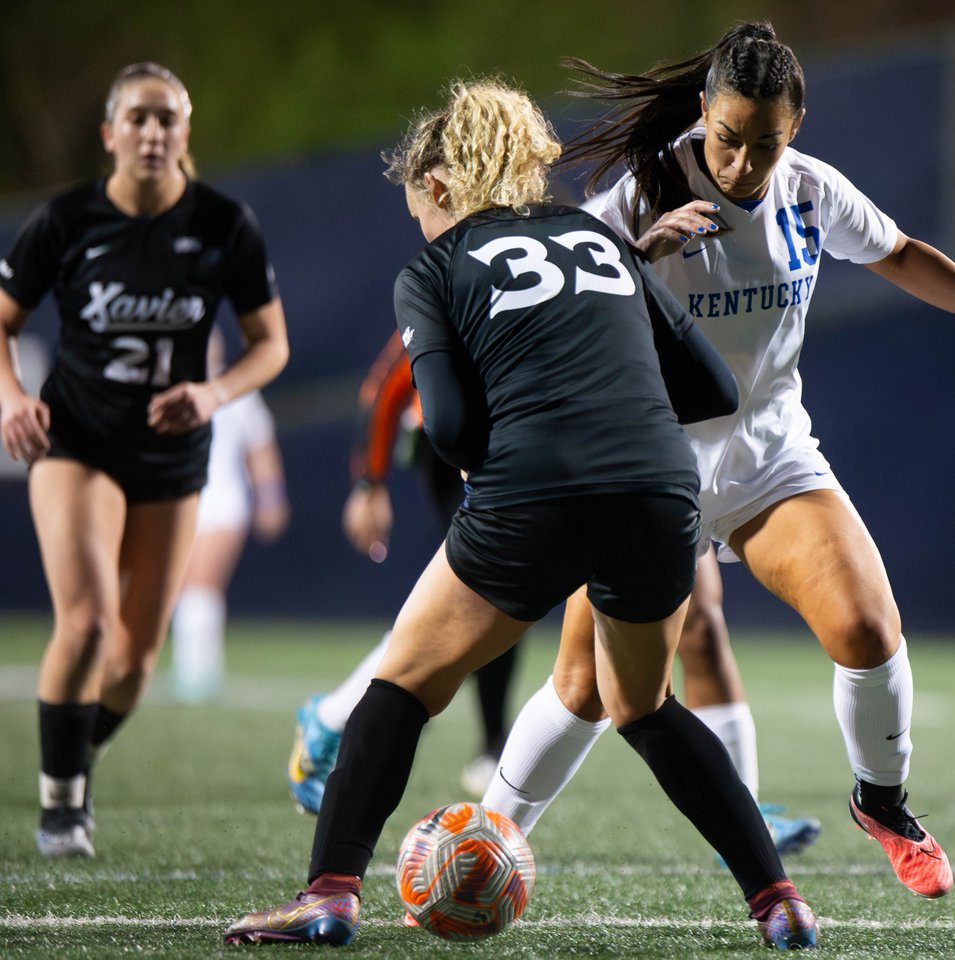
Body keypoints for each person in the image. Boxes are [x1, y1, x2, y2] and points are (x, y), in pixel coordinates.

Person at [223, 78, 817, 951]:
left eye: (415, 202)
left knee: (400, 685)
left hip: (533, 486)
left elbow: (456, 430)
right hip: (660, 491)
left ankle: (330, 895)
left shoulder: (431, 267)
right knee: (645, 705)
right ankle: (779, 902)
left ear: (437, 186)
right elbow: (714, 389)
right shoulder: (596, 235)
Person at [481, 21, 955, 901]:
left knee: (868, 628)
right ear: (703, 112)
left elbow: (892, 251)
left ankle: (882, 803)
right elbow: (564, 290)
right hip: (646, 472)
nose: (740, 162)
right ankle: (488, 839)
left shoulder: (810, 192)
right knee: (587, 689)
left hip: (769, 463)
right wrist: (643, 250)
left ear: (796, 128)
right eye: (727, 138)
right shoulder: (650, 187)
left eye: (764, 143)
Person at [0, 62, 289, 858]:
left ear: (184, 133)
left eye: (167, 119)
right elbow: (2, 319)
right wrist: (11, 399)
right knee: (87, 623)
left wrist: (214, 393)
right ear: (110, 134)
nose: (153, 132)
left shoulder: (226, 224)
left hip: (172, 449)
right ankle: (63, 805)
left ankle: (71, 751)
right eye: (139, 118)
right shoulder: (66, 220)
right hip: (79, 438)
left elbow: (271, 347)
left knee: (134, 660)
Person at [287, 329, 520, 813]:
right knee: (479, 596)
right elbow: (386, 385)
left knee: (502, 600)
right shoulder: (456, 274)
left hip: (522, 440)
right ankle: (339, 720)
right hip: (466, 450)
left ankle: (338, 718)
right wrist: (369, 483)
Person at [170, 328, 290, 702]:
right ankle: (187, 671)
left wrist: (270, 499)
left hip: (223, 502)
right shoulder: (167, 389)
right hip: (180, 503)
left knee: (203, 586)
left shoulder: (238, 390)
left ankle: (198, 676)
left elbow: (261, 448)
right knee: (179, 589)